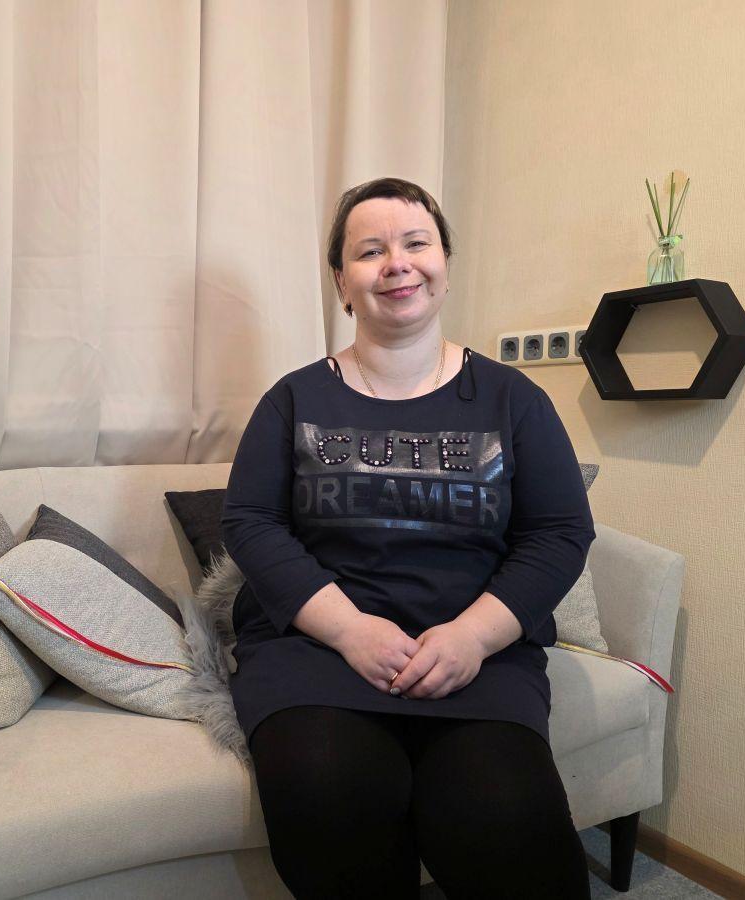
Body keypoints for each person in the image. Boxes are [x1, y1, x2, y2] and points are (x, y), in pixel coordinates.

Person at [220, 177, 596, 899]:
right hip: (317, 651)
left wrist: (472, 638)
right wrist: (351, 630)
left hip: (477, 653)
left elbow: (558, 532)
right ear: (342, 283)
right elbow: (251, 522)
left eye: (416, 243)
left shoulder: (513, 399)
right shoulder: (294, 399)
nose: (397, 263)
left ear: (444, 262)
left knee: (508, 825)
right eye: (370, 251)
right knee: (327, 796)